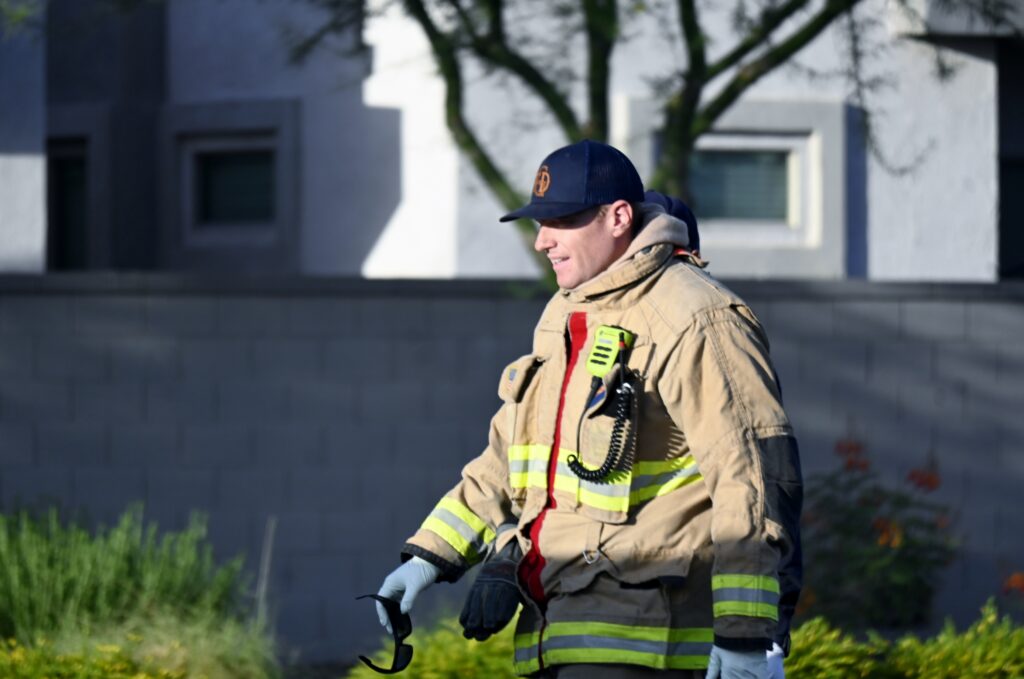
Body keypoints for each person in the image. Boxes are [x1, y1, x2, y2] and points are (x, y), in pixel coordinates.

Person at [375, 139, 803, 679]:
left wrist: (746, 637)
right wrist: (429, 556)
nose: (542, 241)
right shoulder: (564, 314)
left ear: (618, 217)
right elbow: (507, 462)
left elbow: (754, 483)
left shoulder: (696, 316)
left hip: (649, 641)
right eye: (540, 223)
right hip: (557, 630)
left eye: (561, 221)